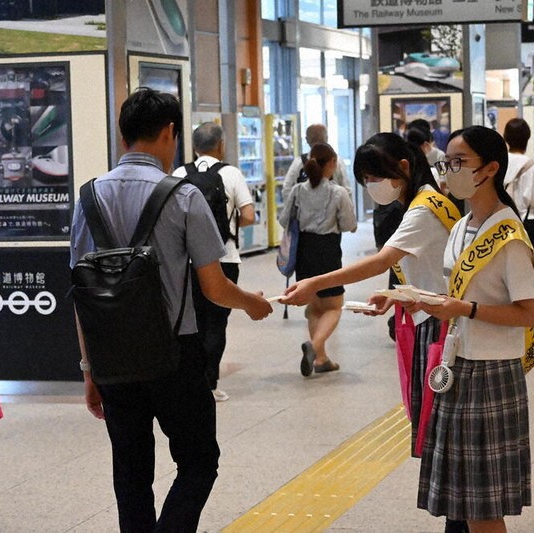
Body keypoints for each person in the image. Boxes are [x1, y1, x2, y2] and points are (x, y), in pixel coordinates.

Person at [69, 88, 272, 532]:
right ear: (169, 133)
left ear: (123, 137)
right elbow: (215, 288)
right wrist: (253, 304)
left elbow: (82, 296)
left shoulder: (87, 199)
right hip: (174, 356)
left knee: (131, 472)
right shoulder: (182, 197)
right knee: (199, 462)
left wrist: (89, 370)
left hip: (113, 361)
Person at [280, 133, 466, 533]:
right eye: (365, 179)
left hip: (440, 327)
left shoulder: (422, 209)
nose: (371, 187)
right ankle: (458, 520)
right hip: (426, 316)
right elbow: (428, 269)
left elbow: (381, 260)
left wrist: (314, 282)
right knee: (438, 433)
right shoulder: (420, 201)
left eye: (375, 177)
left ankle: (461, 520)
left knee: (443, 432)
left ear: (403, 167)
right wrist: (393, 295)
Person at [415, 126, 534, 533]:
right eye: (446, 162)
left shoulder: (509, 237)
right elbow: (453, 293)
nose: (448, 170)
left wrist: (467, 309)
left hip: (491, 371)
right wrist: (408, 300)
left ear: (489, 169)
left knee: (483, 508)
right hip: (458, 366)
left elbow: (528, 314)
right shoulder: (463, 224)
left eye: (458, 162)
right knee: (462, 499)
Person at [173, 122, 255, 403]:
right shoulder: (231, 173)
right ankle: (210, 384)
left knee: (191, 322)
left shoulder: (180, 173)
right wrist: (228, 225)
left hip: (186, 261)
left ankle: (189, 380)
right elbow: (249, 216)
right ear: (221, 145)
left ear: (194, 147)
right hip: (225, 258)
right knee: (216, 323)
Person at [278, 142, 356, 376]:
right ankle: (316, 346)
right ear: (331, 163)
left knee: (313, 307)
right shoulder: (337, 192)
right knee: (334, 305)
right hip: (328, 250)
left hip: (304, 249)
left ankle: (321, 360)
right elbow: (349, 224)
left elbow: (284, 220)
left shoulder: (298, 190)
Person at [502, 118, 534, 249]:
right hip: (527, 221)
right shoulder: (533, 166)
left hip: (500, 221)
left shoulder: (498, 163)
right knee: (525, 264)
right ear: (528, 137)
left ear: (505, 138)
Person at [281, 124, 352, 202]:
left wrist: (298, 209)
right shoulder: (336, 162)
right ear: (327, 139)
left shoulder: (299, 163)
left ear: (307, 140)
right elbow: (347, 192)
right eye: (315, 138)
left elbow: (287, 190)